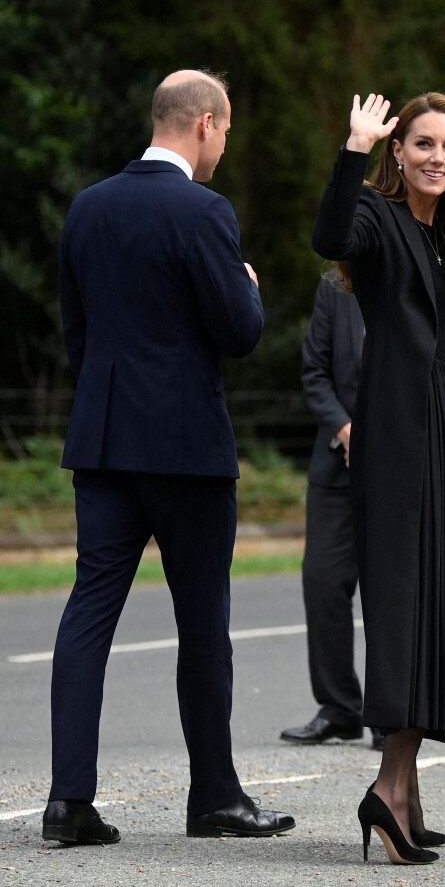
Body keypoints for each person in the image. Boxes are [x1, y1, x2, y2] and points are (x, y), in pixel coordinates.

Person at [42, 69, 295, 846]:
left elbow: (77, 335)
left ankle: (67, 803)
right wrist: (248, 284)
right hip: (186, 450)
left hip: (107, 442)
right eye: (225, 132)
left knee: (88, 615)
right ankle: (214, 797)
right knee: (202, 624)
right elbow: (241, 331)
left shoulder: (88, 207)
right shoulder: (202, 210)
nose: (223, 146)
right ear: (206, 123)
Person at [312, 91, 445, 866]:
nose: (439, 157)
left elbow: (428, 341)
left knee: (434, 606)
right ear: (399, 154)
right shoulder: (376, 214)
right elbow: (328, 234)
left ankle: (402, 791)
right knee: (406, 610)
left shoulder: (442, 241)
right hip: (397, 443)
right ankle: (386, 788)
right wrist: (354, 149)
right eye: (424, 144)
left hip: (436, 434)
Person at [279, 273, 382, 750]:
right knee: (322, 582)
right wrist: (345, 430)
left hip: (399, 465)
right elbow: (314, 371)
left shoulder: (422, 269)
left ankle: (392, 715)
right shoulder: (334, 285)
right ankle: (340, 708)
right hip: (335, 464)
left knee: (390, 590)